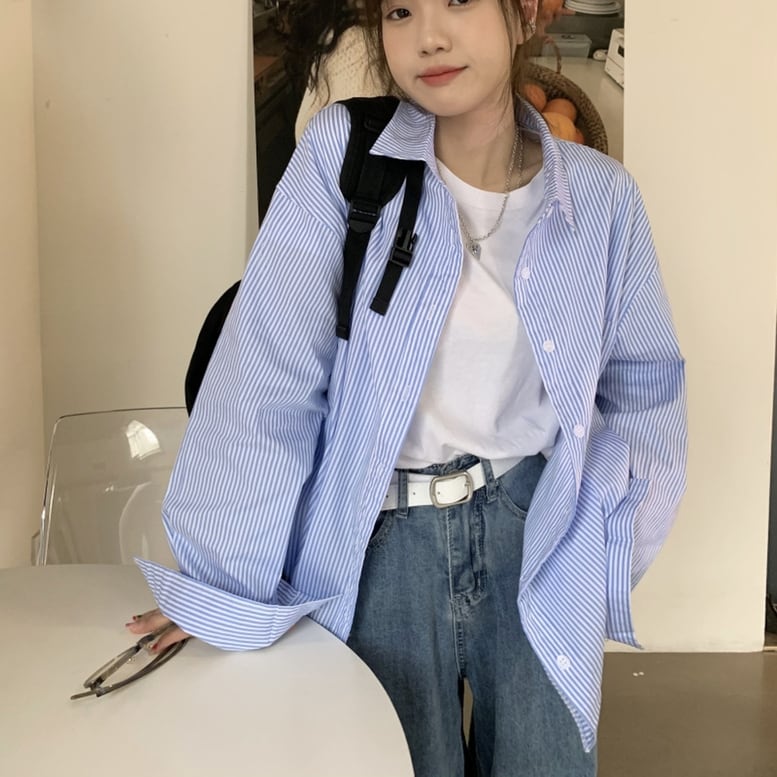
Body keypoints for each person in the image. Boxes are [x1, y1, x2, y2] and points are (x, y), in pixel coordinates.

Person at [129, 1, 687, 775]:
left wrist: (603, 547)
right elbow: (269, 377)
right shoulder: (343, 157)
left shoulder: (600, 198)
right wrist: (222, 584)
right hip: (377, 543)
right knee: (392, 760)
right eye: (399, 10)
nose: (428, 35)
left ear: (522, 14)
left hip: (535, 529)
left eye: (457, 0)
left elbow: (644, 386)